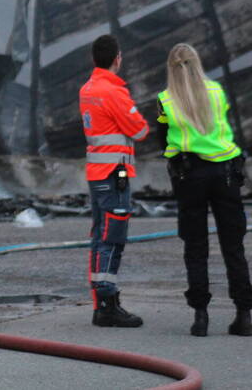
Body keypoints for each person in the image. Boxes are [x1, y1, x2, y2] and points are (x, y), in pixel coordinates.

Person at [156, 42, 251, 337]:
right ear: (198, 63)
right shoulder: (216, 91)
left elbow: (163, 139)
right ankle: (244, 315)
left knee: (195, 247)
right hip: (226, 172)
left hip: (189, 175)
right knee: (233, 246)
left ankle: (201, 317)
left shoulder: (165, 99)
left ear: (171, 68)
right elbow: (223, 126)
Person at [79, 34, 149, 327]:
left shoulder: (88, 89)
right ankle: (107, 304)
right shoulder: (114, 92)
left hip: (98, 174)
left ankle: (101, 302)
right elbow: (140, 130)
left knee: (100, 237)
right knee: (113, 238)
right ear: (117, 58)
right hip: (114, 176)